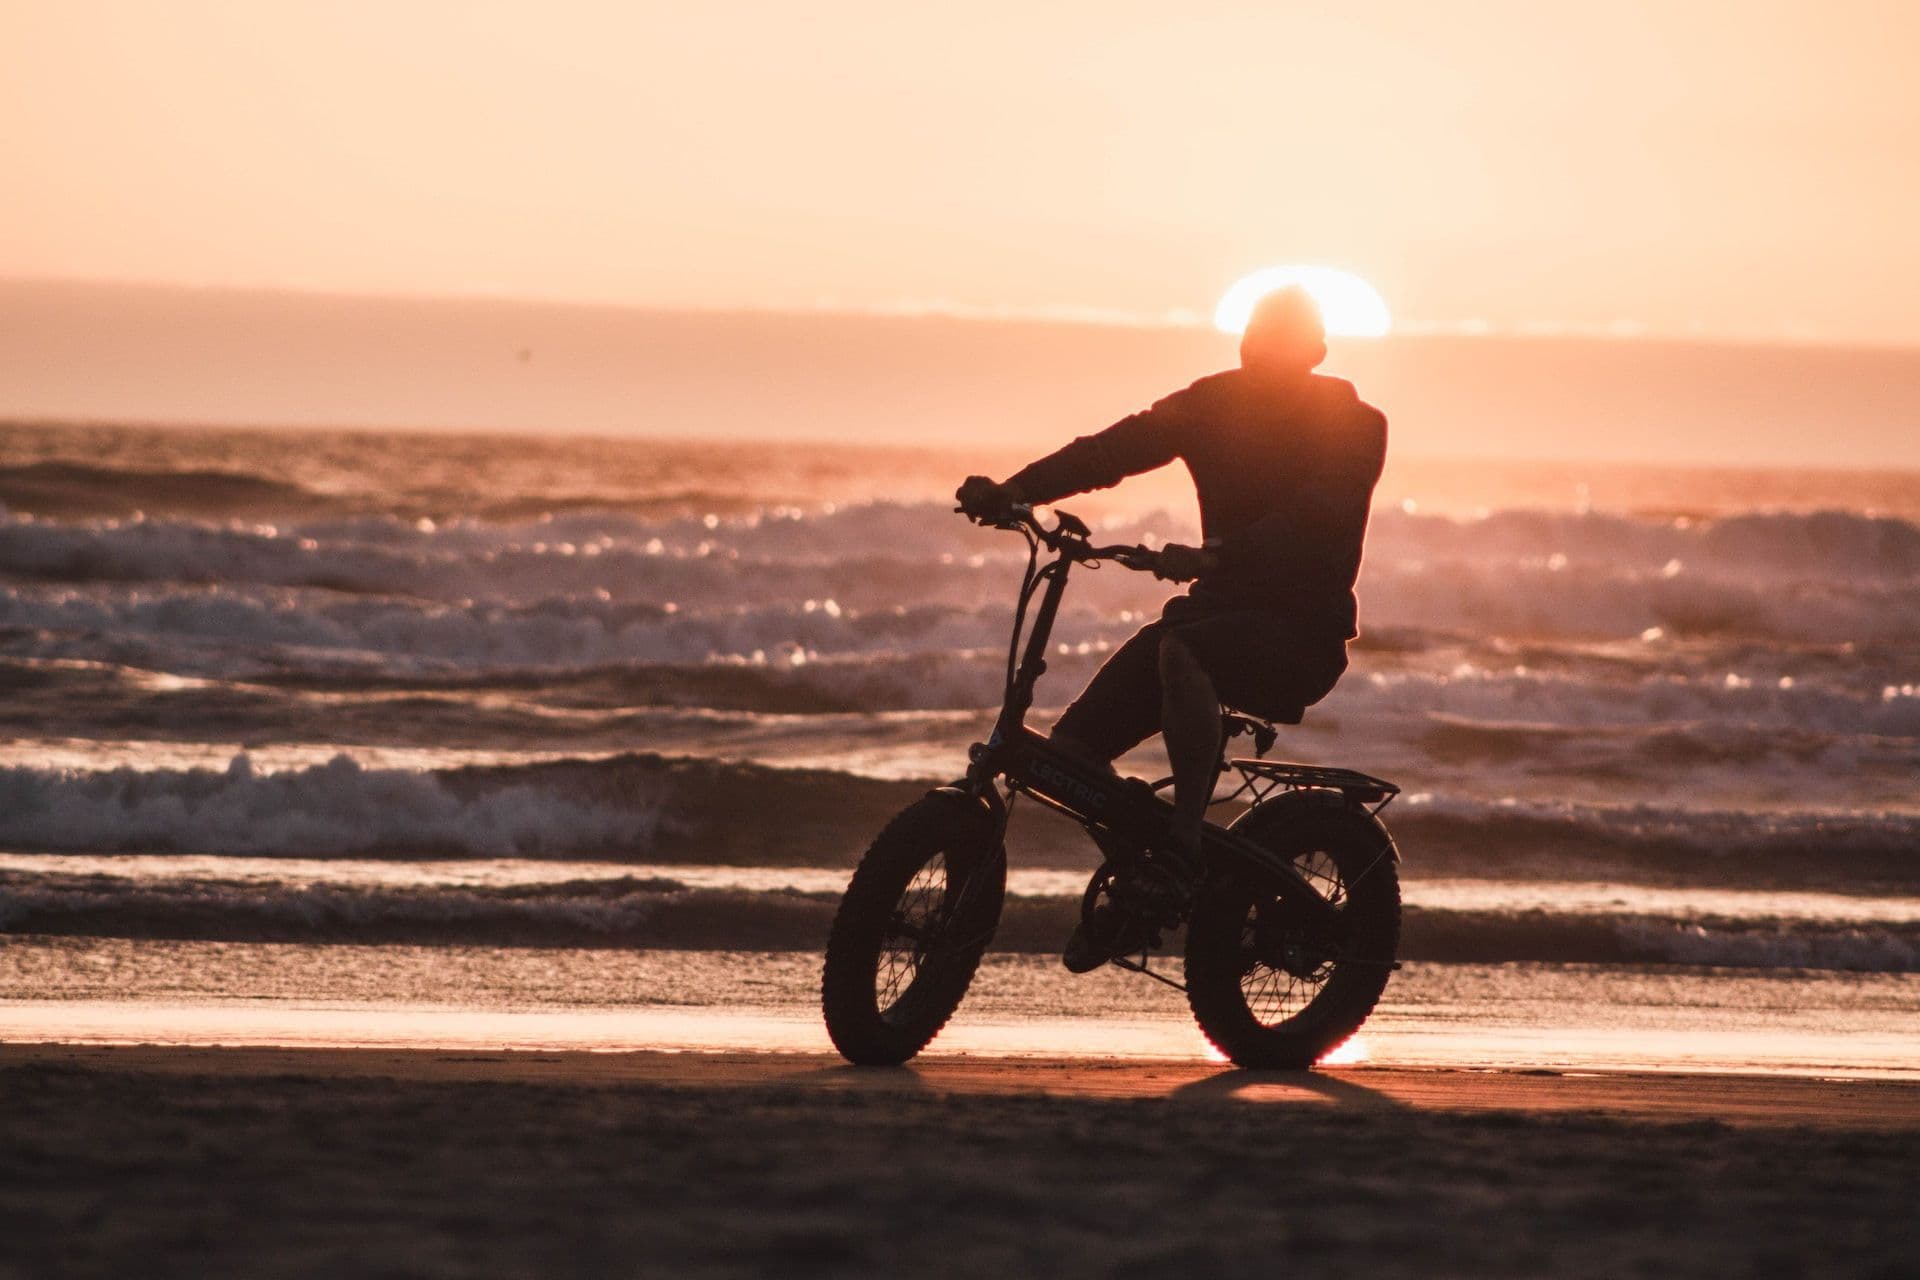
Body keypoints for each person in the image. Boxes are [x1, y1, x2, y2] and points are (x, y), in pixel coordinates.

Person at [955, 286, 1387, 955]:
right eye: (1254, 343)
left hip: (1300, 633)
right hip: (1208, 615)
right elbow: (1111, 450)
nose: (1261, 358)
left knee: (1184, 651)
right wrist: (1016, 491)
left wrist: (1218, 555)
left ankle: (1181, 846)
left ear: (1315, 355)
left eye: (1278, 347)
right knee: (1072, 756)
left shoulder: (1354, 423)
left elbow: (1318, 513)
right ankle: (1144, 882)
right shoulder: (1213, 403)